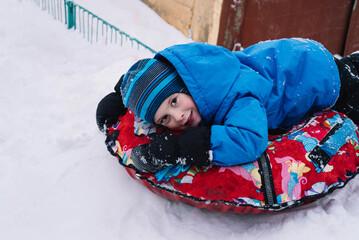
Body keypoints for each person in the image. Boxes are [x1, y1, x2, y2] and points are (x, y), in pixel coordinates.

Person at [96, 38, 359, 173]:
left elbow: (250, 140)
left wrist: (179, 148)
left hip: (322, 77)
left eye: (174, 101)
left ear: (188, 86)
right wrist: (121, 94)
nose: (178, 116)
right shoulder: (202, 67)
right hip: (285, 58)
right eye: (165, 118)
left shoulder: (236, 98)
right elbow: (157, 73)